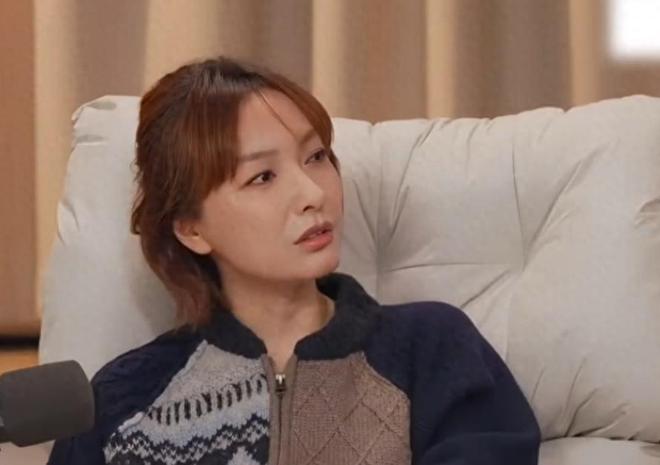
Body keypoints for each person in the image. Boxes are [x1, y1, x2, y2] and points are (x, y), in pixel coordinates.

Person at [46, 56, 541, 465]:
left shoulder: (432, 348)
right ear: (191, 229)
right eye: (262, 177)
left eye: (317, 157)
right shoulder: (120, 400)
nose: (312, 193)